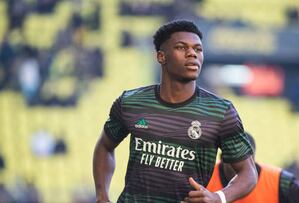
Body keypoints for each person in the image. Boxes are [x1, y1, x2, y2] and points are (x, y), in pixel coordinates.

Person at [93, 20, 257, 203]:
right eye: (181, 47)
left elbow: (248, 173)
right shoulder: (131, 102)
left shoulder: (220, 111)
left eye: (198, 49)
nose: (192, 54)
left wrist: (218, 198)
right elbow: (105, 146)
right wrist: (102, 196)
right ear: (161, 57)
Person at [207, 132, 299, 203]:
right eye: (237, 160)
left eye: (248, 160)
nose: (244, 166)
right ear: (222, 158)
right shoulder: (203, 178)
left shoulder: (280, 182)